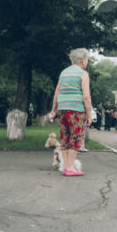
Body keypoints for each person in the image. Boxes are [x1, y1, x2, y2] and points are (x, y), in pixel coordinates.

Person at [49, 48, 92, 176]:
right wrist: (89, 115)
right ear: (83, 60)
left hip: (62, 109)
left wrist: (54, 109)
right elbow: (86, 96)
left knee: (65, 138)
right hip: (76, 110)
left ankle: (67, 166)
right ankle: (70, 168)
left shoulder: (63, 73)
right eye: (87, 60)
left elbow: (57, 91)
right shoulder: (83, 74)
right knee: (76, 138)